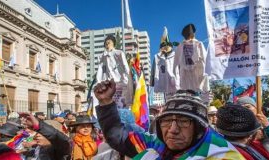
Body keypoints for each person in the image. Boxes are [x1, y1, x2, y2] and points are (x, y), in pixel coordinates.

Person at [94, 79, 244, 159]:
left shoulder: (221, 153)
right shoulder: (155, 144)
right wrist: (106, 103)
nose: (172, 129)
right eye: (166, 121)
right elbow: (117, 136)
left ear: (200, 127)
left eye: (183, 121)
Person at [174, 24, 208, 92]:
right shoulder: (199, 44)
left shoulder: (179, 46)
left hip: (187, 73)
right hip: (196, 72)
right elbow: (205, 58)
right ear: (193, 34)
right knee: (197, 93)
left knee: (187, 92)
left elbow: (175, 63)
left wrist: (175, 74)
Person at [151, 27, 179, 93]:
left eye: (167, 47)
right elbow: (153, 70)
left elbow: (180, 67)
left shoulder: (175, 55)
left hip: (174, 82)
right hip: (161, 81)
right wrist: (152, 82)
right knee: (166, 98)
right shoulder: (156, 57)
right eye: (164, 47)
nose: (165, 48)